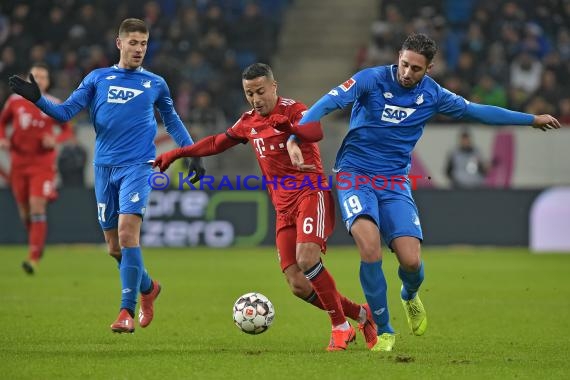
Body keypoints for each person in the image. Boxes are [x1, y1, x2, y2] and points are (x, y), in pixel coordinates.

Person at [279, 33, 560, 352]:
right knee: (369, 247)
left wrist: (530, 120)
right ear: (398, 56)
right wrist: (295, 135)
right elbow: (329, 102)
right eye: (404, 64)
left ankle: (409, 295)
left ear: (429, 68)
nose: (407, 73)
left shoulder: (434, 95)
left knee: (411, 262)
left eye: (416, 68)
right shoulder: (370, 79)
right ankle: (384, 330)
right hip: (353, 174)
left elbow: (478, 111)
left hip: (394, 182)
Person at [154, 63, 377, 351]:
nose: (256, 98)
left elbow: (315, 131)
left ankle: (340, 327)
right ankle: (361, 314)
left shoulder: (294, 110)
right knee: (297, 283)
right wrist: (177, 153)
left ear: (274, 86)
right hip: (283, 208)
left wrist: (290, 129)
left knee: (307, 259)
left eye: (260, 91)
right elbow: (216, 142)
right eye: (249, 93)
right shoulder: (248, 121)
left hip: (311, 194)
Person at [8, 18, 205, 333]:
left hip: (138, 167)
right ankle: (149, 288)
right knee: (115, 248)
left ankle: (125, 311)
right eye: (133, 43)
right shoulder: (98, 78)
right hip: (104, 169)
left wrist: (191, 152)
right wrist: (37, 99)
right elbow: (65, 113)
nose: (139, 49)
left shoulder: (155, 83)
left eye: (143, 43)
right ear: (120, 43)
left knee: (128, 235)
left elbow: (172, 120)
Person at [0, 62, 73, 274]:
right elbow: (2, 123)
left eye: (43, 77)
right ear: (28, 78)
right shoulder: (15, 101)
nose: (39, 80)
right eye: (35, 76)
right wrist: (3, 139)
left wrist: (55, 139)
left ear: (48, 82)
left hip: (42, 164)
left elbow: (68, 131)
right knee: (25, 212)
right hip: (18, 162)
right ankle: (37, 244)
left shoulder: (53, 104)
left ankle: (33, 256)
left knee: (36, 206)